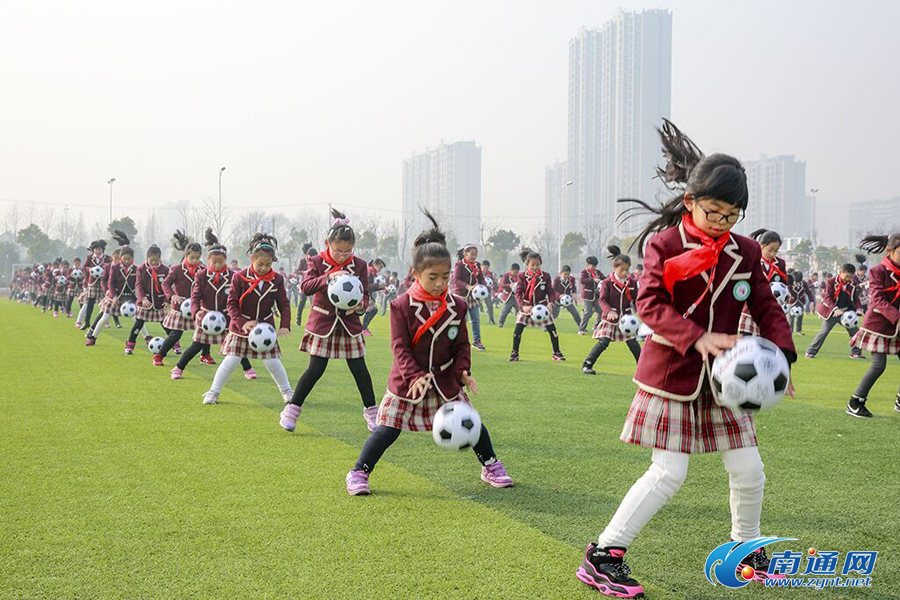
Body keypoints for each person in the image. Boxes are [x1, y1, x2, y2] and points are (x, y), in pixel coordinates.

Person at [576, 120, 795, 597]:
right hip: (672, 374)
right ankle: (603, 555)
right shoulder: (665, 244)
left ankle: (747, 550)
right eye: (714, 211)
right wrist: (695, 338)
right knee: (668, 473)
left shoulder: (747, 251)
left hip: (728, 380)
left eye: (732, 215)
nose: (721, 222)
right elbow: (650, 305)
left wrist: (782, 357)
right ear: (691, 201)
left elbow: (765, 305)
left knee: (749, 469)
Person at [344, 211, 512, 496]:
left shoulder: (457, 305)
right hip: (408, 382)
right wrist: (415, 376)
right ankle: (359, 471)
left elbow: (461, 344)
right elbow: (400, 347)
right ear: (416, 273)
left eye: (445, 277)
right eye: (432, 277)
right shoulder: (400, 306)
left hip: (446, 380)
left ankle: (491, 464)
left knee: (473, 423)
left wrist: (463, 370)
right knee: (386, 429)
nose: (439, 283)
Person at [279, 209, 377, 432]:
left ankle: (372, 412)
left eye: (347, 251)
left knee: (360, 369)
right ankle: (291, 410)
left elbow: (365, 292)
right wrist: (328, 277)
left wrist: (361, 305)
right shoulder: (317, 261)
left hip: (349, 325)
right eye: (338, 251)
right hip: (323, 324)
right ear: (327, 244)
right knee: (315, 369)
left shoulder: (360, 265)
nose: (342, 256)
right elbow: (305, 287)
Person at [202, 233, 292, 405]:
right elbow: (231, 304)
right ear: (252, 258)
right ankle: (213, 392)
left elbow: (284, 304)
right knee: (231, 361)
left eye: (268, 264)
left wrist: (285, 325)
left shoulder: (277, 280)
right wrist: (243, 323)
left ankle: (287, 392)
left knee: (273, 362)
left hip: (265, 329)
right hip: (241, 328)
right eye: (260, 264)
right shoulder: (239, 277)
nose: (264, 268)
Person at [171, 229, 257, 380]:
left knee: (235, 345)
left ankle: (248, 369)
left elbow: (238, 297)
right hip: (206, 317)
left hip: (227, 316)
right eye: (214, 262)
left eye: (221, 262)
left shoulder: (233, 276)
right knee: (197, 344)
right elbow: (195, 296)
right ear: (208, 260)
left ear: (226, 260)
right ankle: (178, 368)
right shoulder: (201, 275)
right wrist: (196, 311)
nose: (217, 265)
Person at [845, 233, 900, 418]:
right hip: (878, 325)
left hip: (896, 327)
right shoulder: (878, 271)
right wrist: (897, 317)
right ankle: (855, 402)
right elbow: (877, 299)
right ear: (889, 251)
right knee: (878, 365)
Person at [582, 246, 641, 375]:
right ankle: (587, 364)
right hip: (610, 319)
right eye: (622, 270)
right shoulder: (607, 283)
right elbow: (602, 300)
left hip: (625, 319)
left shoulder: (631, 283)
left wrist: (638, 309)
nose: (625, 273)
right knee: (603, 342)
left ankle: (643, 368)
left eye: (627, 270)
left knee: (633, 343)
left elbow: (636, 299)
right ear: (615, 268)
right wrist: (609, 311)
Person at [154, 231, 202, 365]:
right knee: (176, 334)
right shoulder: (177, 269)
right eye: (192, 257)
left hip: (197, 307)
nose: (195, 260)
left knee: (204, 333)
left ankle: (206, 355)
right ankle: (159, 355)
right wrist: (172, 295)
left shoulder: (203, 270)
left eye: (197, 257)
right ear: (186, 255)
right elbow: (165, 283)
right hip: (180, 308)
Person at [509, 248, 565, 362]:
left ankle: (556, 352)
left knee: (552, 330)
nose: (535, 267)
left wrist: (550, 304)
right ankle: (515, 352)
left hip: (542, 308)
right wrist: (523, 306)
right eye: (532, 265)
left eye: (537, 265)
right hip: (527, 307)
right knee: (518, 330)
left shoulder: (546, 276)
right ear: (527, 264)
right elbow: (518, 293)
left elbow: (550, 292)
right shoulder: (521, 276)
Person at [85, 231, 136, 348]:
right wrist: (111, 294)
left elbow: (138, 284)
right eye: (119, 258)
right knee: (104, 317)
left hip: (129, 297)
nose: (124, 260)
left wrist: (139, 297)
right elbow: (108, 282)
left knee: (138, 319)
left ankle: (146, 337)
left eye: (128, 259)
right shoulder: (112, 267)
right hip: (114, 296)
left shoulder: (135, 269)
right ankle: (92, 336)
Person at [805, 264, 864, 359]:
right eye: (846, 276)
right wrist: (835, 309)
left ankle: (855, 353)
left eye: (850, 277)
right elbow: (827, 297)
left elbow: (855, 298)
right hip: (831, 312)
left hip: (845, 314)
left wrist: (859, 309)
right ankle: (810, 352)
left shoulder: (852, 284)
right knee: (824, 332)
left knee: (855, 332)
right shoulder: (831, 282)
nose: (848, 279)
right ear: (840, 272)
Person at [738, 228, 787, 336]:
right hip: (750, 311)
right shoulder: (750, 260)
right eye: (770, 250)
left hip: (769, 311)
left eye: (776, 250)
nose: (773, 254)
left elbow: (783, 285)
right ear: (761, 245)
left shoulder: (780, 264)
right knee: (747, 346)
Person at [127, 245, 170, 355]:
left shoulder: (165, 269)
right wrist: (143, 298)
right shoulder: (141, 269)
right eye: (152, 260)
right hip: (145, 302)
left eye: (156, 260)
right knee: (138, 324)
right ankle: (130, 345)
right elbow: (138, 285)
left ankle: (174, 344)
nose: (154, 263)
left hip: (159, 303)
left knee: (166, 324)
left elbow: (168, 286)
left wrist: (166, 299)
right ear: (147, 257)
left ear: (160, 258)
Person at [452, 244, 487, 351]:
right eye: (472, 254)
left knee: (475, 319)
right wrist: (468, 287)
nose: (474, 257)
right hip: (461, 296)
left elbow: (481, 278)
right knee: (462, 320)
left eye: (475, 255)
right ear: (466, 254)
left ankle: (477, 341)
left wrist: (484, 288)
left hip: (473, 297)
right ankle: (457, 342)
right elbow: (456, 280)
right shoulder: (459, 265)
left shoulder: (477, 265)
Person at [578, 256, 604, 335]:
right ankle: (581, 329)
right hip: (587, 296)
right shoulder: (584, 272)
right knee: (587, 313)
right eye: (592, 266)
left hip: (596, 296)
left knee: (601, 311)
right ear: (587, 264)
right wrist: (593, 280)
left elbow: (604, 278)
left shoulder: (598, 272)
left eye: (595, 266)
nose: (594, 268)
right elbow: (582, 281)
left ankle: (597, 326)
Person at [294, 243, 317, 327]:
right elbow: (298, 270)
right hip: (305, 284)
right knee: (302, 302)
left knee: (314, 302)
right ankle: (298, 319)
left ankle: (314, 321)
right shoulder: (302, 261)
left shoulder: (316, 260)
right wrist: (305, 272)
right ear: (307, 255)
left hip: (314, 284)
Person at [362, 258, 387, 335]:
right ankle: (363, 329)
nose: (380, 269)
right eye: (380, 267)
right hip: (366, 294)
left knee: (373, 310)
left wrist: (382, 287)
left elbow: (372, 287)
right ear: (374, 264)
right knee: (372, 310)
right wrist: (378, 285)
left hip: (369, 294)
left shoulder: (373, 273)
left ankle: (365, 327)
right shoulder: (370, 272)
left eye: (381, 268)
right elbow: (367, 286)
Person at [497, 263, 520, 327]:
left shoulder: (519, 276)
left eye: (517, 272)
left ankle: (520, 323)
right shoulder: (506, 276)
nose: (516, 273)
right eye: (515, 272)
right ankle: (500, 323)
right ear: (511, 270)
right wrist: (509, 285)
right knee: (505, 311)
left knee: (520, 310)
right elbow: (502, 285)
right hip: (508, 297)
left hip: (516, 297)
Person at [481, 259, 498, 325]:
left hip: (487, 292)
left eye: (487, 267)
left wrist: (494, 290)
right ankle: (472, 319)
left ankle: (491, 319)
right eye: (484, 267)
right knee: (475, 306)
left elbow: (493, 283)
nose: (485, 269)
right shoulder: (477, 272)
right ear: (481, 266)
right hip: (478, 292)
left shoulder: (490, 274)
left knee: (490, 305)